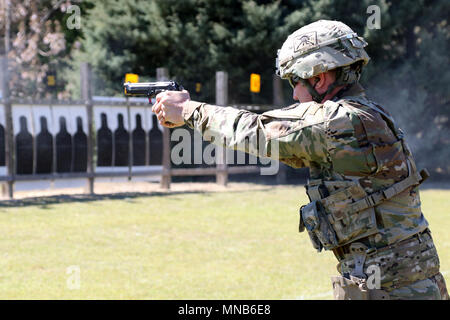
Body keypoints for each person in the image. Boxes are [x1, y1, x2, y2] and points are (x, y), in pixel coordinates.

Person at [151, 20, 449, 300]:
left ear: (319, 78)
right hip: (397, 281)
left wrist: (189, 110)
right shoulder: (363, 113)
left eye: (296, 81)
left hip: (391, 286)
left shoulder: (340, 120)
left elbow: (256, 131)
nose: (294, 94)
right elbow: (282, 142)